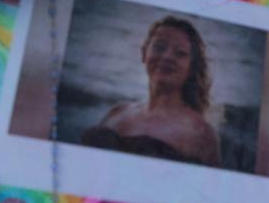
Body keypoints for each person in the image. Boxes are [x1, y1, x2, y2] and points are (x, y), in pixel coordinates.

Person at [81, 16, 221, 167]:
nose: (167, 56)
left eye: (180, 53)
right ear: (143, 53)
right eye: (160, 47)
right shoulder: (116, 113)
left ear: (191, 67)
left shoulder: (200, 133)